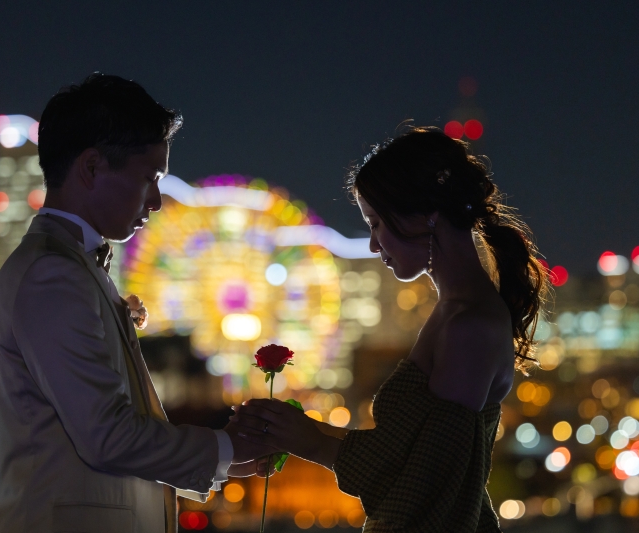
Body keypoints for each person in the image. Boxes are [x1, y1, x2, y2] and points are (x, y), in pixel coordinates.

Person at [0, 73, 275, 533]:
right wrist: (227, 449)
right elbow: (108, 436)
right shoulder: (53, 274)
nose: (158, 200)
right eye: (150, 177)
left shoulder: (77, 268)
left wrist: (225, 462)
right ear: (92, 167)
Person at [231, 126, 549, 532]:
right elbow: (402, 453)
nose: (372, 244)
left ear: (428, 214)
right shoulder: (458, 313)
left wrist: (305, 438)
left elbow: (423, 482)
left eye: (377, 223)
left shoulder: (470, 325)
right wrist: (289, 429)